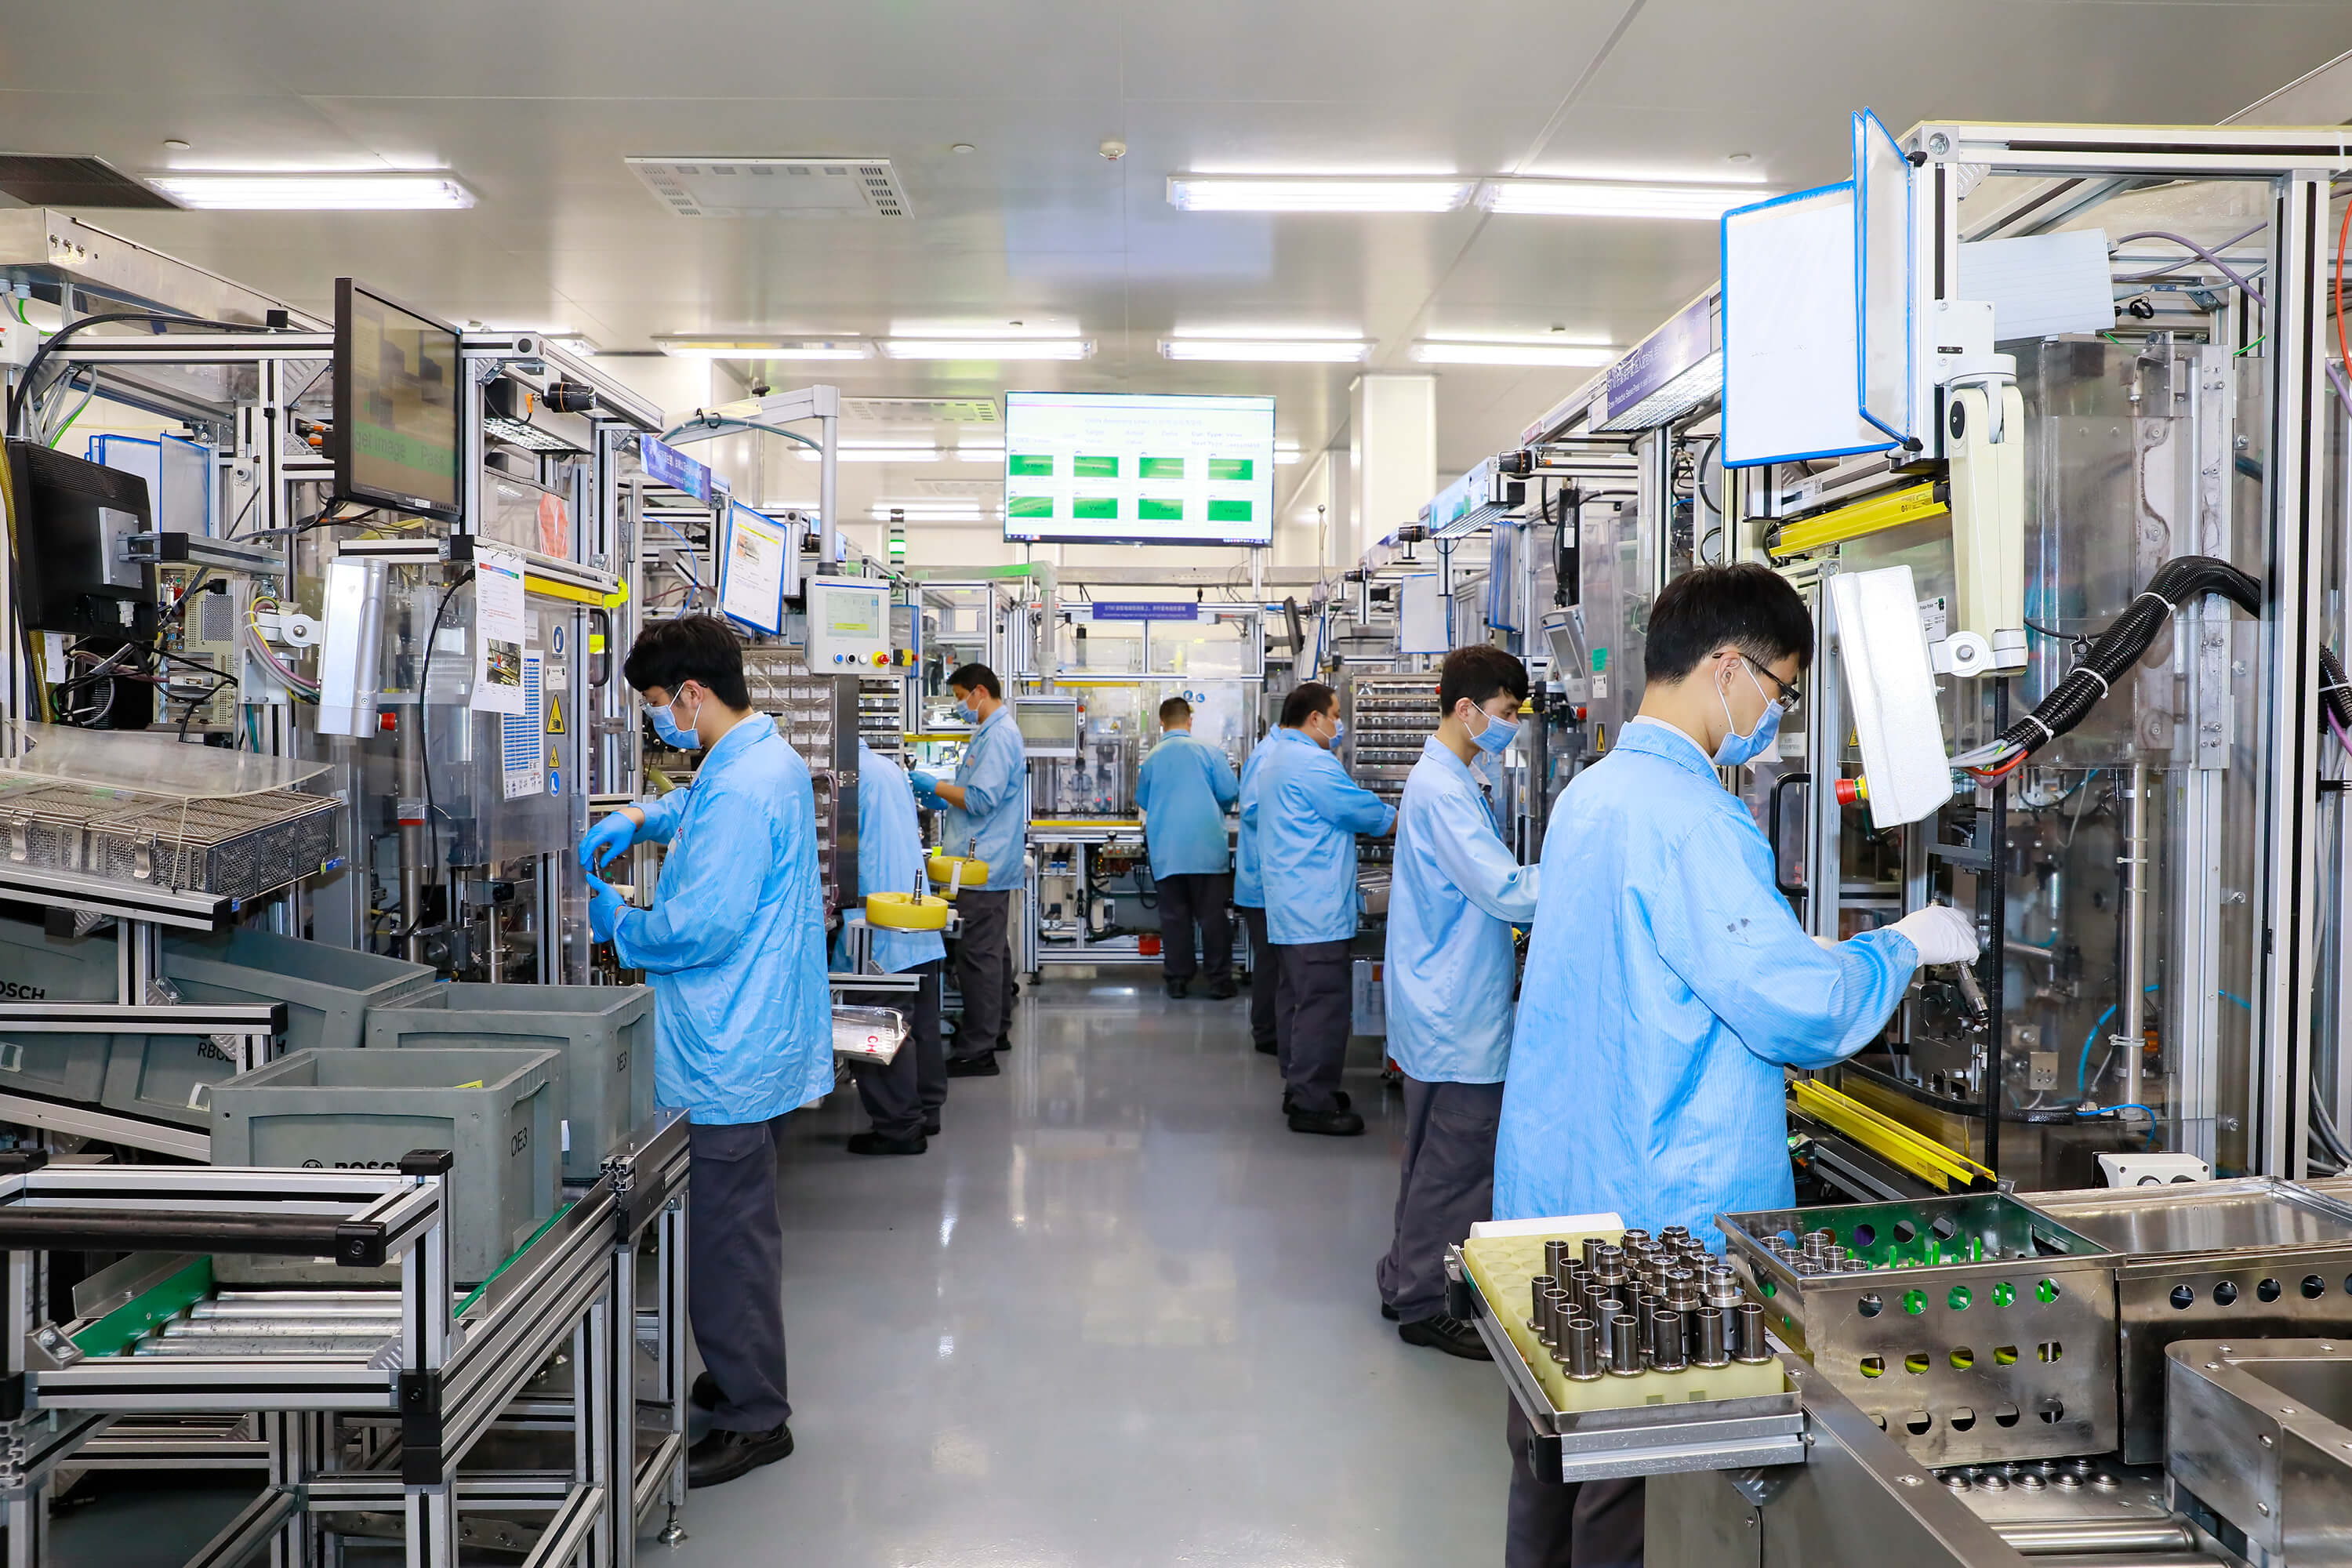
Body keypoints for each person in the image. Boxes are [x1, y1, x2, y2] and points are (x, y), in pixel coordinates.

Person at [1490, 564, 1978, 1567]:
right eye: (1781, 691)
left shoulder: (1591, 794)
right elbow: (1799, 1007)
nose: (1774, 717)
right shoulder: (1695, 817)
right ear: (1727, 668)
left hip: (1560, 1191)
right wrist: (1899, 947)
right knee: (1635, 1493)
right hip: (1657, 1213)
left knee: (1550, 1458)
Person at [575, 615, 834, 1490]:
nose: (659, 720)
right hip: (751, 1033)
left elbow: (701, 927)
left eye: (657, 703)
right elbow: (702, 803)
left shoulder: (744, 786)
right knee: (735, 1232)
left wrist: (621, 922)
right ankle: (735, 1372)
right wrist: (645, 815)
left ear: (691, 693)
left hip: (728, 1047)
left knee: (727, 1246)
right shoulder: (759, 758)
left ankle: (756, 1416)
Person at [1377, 645, 1538, 1361]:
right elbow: (1503, 889)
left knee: (1428, 1158)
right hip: (1455, 1013)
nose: (1510, 726)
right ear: (1467, 709)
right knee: (1457, 1167)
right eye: (1505, 712)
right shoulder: (1443, 788)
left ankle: (1402, 1279)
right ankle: (1423, 1303)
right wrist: (1583, 870)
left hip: (1441, 1004)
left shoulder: (1452, 778)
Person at [1253, 681, 1396, 1136]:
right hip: (1314, 911)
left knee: (1296, 1001)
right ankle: (1312, 1103)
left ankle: (1299, 1086)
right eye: (1335, 715)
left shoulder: (1279, 757)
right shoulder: (1312, 763)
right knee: (1323, 1006)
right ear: (1314, 718)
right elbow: (1360, 811)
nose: (1339, 724)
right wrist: (1406, 815)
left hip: (1291, 906)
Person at [911, 663, 1028, 1080]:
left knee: (978, 958)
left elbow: (980, 800)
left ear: (979, 691)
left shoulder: (999, 736)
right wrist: (945, 798)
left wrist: (934, 786)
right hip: (984, 863)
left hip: (983, 867)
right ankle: (995, 1031)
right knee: (992, 954)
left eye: (961, 697)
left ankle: (978, 1050)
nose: (960, 706)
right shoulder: (990, 732)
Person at [833, 737, 947, 1155]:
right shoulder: (886, 768)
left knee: (877, 1023)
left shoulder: (842, 780)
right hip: (914, 916)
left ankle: (900, 1129)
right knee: (920, 1024)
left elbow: (833, 852)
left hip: (877, 923)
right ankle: (927, 1110)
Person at [1133, 695, 1240, 1000]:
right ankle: (1219, 981)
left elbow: (1143, 800)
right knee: (1212, 918)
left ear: (1162, 723)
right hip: (1206, 849)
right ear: (1190, 721)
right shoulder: (1209, 752)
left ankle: (1177, 981)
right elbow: (1230, 792)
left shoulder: (1152, 758)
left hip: (1167, 851)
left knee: (1174, 918)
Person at [1232, 739, 1279, 1057]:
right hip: (1262, 881)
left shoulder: (1281, 753)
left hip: (1273, 881)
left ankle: (1272, 1029)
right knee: (1270, 961)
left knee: (1275, 961)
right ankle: (1266, 1032)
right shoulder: (1267, 755)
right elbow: (1250, 809)